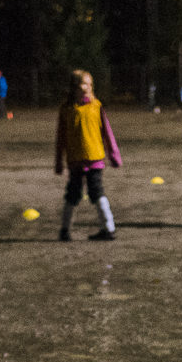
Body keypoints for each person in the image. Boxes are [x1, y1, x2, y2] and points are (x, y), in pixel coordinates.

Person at [53, 69, 121, 241]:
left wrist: (113, 155)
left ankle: (109, 228)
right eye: (84, 83)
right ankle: (65, 230)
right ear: (74, 87)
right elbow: (60, 137)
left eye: (90, 84)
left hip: (94, 159)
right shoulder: (66, 110)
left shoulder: (96, 107)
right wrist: (59, 161)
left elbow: (107, 132)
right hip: (75, 160)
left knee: (97, 192)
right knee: (72, 195)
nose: (87, 87)